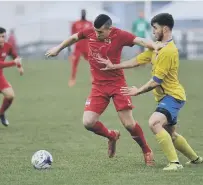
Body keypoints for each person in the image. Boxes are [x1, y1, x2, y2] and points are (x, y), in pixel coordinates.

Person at [45, 14, 164, 166]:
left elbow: (139, 40)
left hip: (117, 84)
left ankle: (146, 151)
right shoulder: (90, 32)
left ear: (109, 29)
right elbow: (74, 37)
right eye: (95, 31)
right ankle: (112, 136)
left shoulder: (120, 35)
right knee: (88, 122)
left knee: (128, 124)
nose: (96, 34)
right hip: (98, 86)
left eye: (100, 32)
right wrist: (58, 48)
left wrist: (154, 46)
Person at [95, 13, 203, 171]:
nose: (152, 31)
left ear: (165, 29)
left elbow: (155, 81)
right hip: (167, 97)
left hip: (173, 96)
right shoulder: (157, 46)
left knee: (154, 122)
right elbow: (138, 60)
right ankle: (196, 159)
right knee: (171, 134)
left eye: (155, 28)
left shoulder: (168, 51)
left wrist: (137, 91)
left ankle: (174, 163)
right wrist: (114, 66)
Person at [68, 9, 93, 87]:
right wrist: (69, 45)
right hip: (78, 47)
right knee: (74, 63)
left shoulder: (89, 23)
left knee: (93, 62)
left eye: (84, 13)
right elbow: (72, 36)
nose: (83, 14)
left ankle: (93, 78)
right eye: (82, 13)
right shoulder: (75, 23)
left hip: (87, 47)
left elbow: (92, 35)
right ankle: (72, 79)